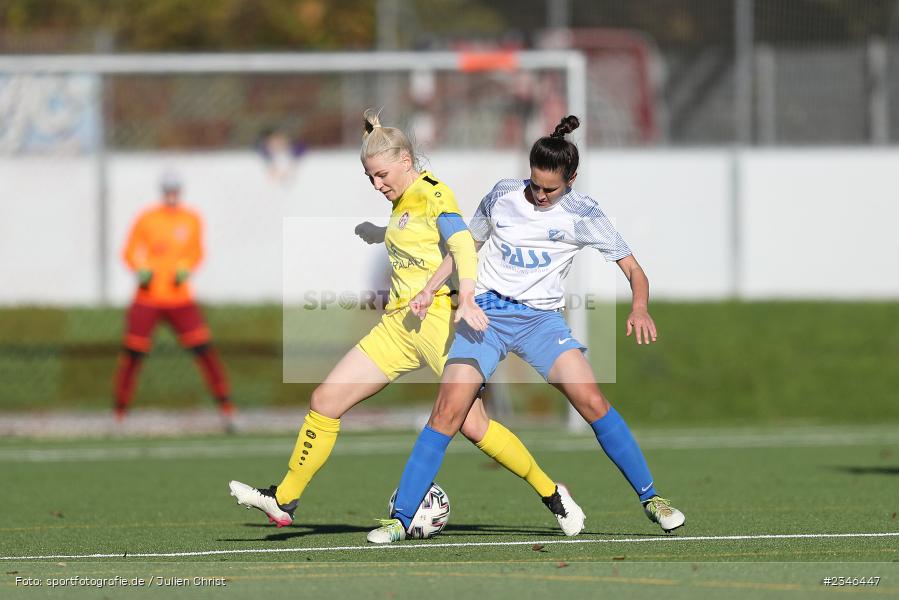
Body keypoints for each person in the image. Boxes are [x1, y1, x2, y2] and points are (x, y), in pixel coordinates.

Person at [228, 109, 585, 535]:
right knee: (325, 401)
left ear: (405, 162)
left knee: (474, 426)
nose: (378, 185)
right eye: (370, 179)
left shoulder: (435, 194)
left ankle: (552, 494)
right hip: (398, 327)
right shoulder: (402, 201)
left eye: (381, 175)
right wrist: (381, 232)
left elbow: (461, 245)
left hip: (439, 325)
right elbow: (416, 238)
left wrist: (466, 295)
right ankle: (284, 499)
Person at [368, 115, 686, 544]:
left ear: (571, 179)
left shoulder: (584, 213)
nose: (538, 195)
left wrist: (641, 307)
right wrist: (430, 290)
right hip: (487, 316)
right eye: (534, 185)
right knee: (448, 410)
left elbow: (633, 268)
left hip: (540, 322)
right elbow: (466, 245)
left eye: (549, 189)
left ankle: (653, 499)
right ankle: (399, 519)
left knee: (591, 400)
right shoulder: (502, 195)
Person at [114, 170, 234, 427]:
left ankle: (227, 409)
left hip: (180, 298)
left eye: (175, 190)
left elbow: (197, 252)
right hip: (148, 296)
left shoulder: (192, 219)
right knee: (133, 354)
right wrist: (140, 268)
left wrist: (186, 268)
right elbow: (130, 250)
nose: (171, 194)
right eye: (168, 189)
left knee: (204, 350)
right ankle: (120, 414)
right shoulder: (147, 218)